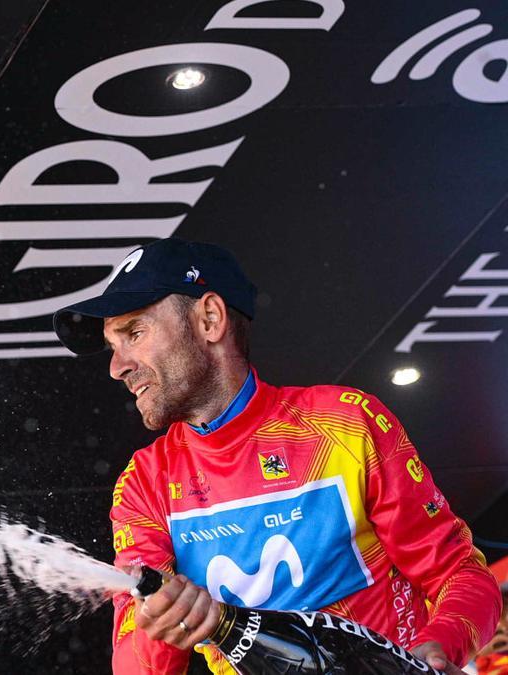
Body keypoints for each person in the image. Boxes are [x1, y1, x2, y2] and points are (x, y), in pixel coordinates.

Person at [51, 238, 501, 675]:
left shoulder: (344, 423)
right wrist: (162, 623)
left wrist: (437, 650)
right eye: (114, 346)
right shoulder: (144, 483)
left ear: (210, 318)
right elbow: (134, 665)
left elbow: (461, 575)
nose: (117, 366)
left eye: (134, 333)